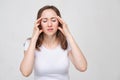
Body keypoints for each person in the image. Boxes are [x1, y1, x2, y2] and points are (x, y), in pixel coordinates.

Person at [20, 5, 87, 80]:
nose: (49, 24)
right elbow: (25, 72)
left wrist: (68, 35)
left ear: (59, 22)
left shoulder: (66, 43)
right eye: (45, 21)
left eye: (53, 20)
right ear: (39, 23)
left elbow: (82, 67)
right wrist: (34, 39)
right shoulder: (30, 43)